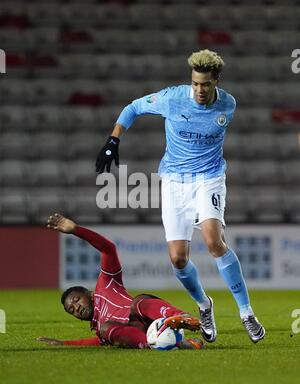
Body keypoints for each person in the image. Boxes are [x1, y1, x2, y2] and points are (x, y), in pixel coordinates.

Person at [95, 49, 265, 344]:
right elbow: (133, 108)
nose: (199, 90)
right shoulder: (172, 99)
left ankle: (246, 312)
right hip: (174, 181)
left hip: (209, 178)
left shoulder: (228, 104)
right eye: (195, 83)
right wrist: (113, 138)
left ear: (216, 82)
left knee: (214, 241)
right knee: (177, 258)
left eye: (206, 84)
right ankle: (204, 305)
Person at [37, 213, 203, 350]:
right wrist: (65, 344)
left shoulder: (105, 284)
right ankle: (172, 344)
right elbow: (94, 342)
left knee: (139, 302)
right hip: (142, 334)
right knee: (105, 331)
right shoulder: (101, 327)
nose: (77, 307)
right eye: (72, 310)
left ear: (89, 293)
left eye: (76, 300)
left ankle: (181, 317)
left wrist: (76, 230)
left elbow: (108, 249)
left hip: (148, 317)